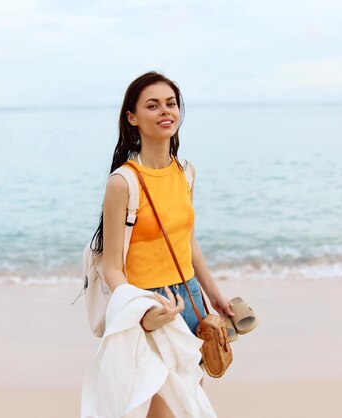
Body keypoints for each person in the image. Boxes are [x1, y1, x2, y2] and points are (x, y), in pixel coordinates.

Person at [90, 71, 235, 417]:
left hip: (192, 301)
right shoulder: (123, 182)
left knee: (190, 406)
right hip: (150, 305)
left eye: (171, 104)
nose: (165, 112)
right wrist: (140, 313)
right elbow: (112, 267)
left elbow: (188, 243)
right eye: (152, 106)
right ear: (132, 117)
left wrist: (215, 296)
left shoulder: (186, 172)